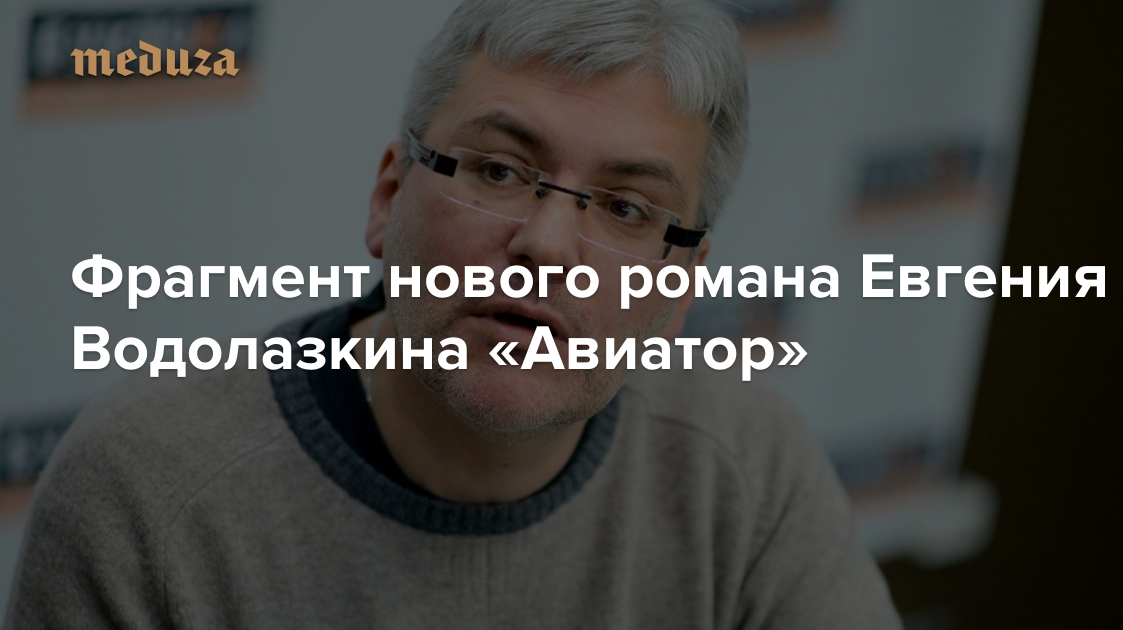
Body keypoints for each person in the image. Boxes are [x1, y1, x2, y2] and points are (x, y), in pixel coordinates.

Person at [6, 0, 900, 627]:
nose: (547, 246)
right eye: (499, 171)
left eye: (627, 209)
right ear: (388, 198)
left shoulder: (748, 472)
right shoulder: (146, 496)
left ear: (679, 290)